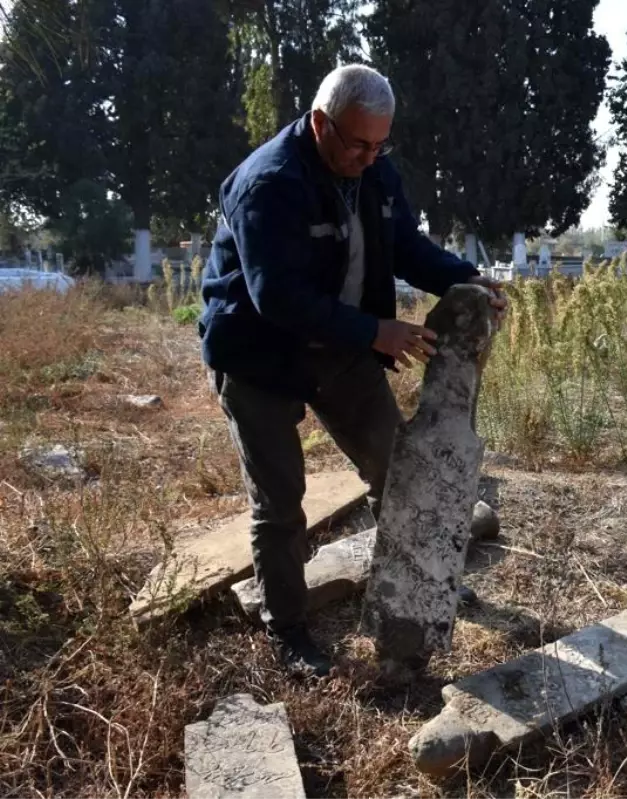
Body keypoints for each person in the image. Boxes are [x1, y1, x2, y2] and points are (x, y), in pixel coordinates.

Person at [198, 64, 505, 678]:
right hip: (259, 358)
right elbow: (277, 297)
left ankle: (419, 587)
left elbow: (406, 247)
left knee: (398, 471)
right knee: (281, 503)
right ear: (320, 123)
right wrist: (377, 332)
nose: (369, 157)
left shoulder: (375, 173)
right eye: (358, 144)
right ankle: (288, 629)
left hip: (339, 354)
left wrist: (464, 280)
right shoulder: (269, 183)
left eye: (380, 145)